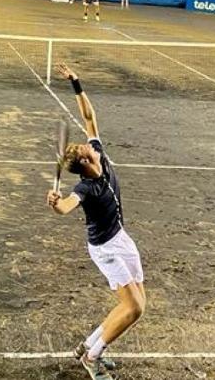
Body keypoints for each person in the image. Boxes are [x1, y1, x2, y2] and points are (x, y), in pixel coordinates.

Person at [47, 63, 144, 380]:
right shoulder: (85, 188)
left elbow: (89, 117)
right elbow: (66, 208)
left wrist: (77, 83)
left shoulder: (99, 154)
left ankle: (88, 344)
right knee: (132, 308)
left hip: (122, 237)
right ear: (86, 162)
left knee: (138, 305)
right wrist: (55, 204)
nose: (90, 142)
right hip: (105, 249)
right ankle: (93, 356)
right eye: (86, 148)